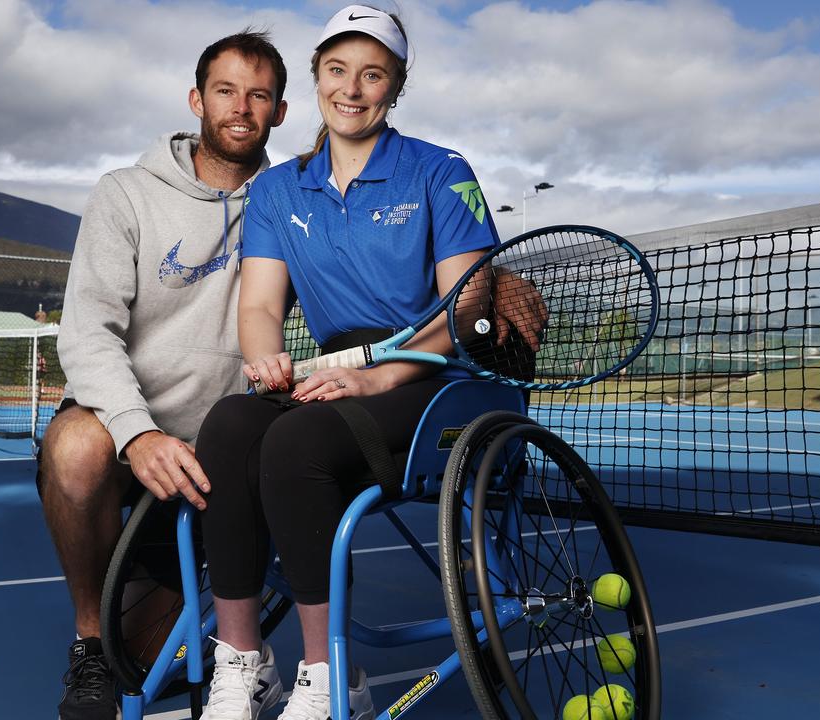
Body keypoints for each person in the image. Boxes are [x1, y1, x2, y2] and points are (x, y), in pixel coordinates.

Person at [193, 6, 543, 720]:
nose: (352, 89)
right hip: (337, 371)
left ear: (396, 87)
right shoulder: (277, 190)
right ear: (318, 79)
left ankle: (329, 679)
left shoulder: (441, 172)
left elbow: (465, 312)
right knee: (230, 426)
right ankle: (242, 665)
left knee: (296, 443)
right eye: (337, 71)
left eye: (373, 74)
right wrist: (266, 363)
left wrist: (383, 374)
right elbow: (261, 308)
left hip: (442, 379)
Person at [37, 30, 288, 720]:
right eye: (226, 91)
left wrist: (491, 278)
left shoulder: (295, 201)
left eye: (259, 94)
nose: (241, 107)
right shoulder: (125, 194)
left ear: (280, 111)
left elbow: (381, 258)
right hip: (131, 435)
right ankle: (88, 646)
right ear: (197, 100)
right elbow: (88, 336)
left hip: (222, 454)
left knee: (144, 663)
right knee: (75, 449)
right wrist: (136, 434)